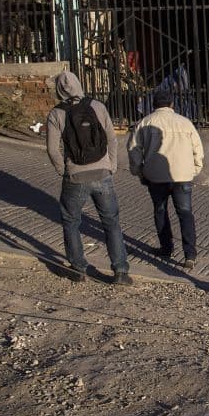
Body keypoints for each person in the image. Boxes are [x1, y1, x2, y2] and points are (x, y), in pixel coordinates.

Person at [46, 71, 132, 285]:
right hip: (102, 173)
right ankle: (120, 271)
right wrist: (111, 165)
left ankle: (78, 268)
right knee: (111, 222)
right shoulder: (97, 106)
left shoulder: (56, 114)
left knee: (71, 221)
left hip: (75, 175)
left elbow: (53, 149)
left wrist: (63, 170)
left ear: (59, 90)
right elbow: (112, 139)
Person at [127, 90, 205, 269]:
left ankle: (166, 247)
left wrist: (139, 172)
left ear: (153, 104)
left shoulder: (145, 122)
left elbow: (134, 150)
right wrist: (193, 170)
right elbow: (198, 150)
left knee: (160, 211)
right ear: (172, 104)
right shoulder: (185, 123)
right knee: (185, 213)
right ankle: (190, 254)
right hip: (182, 175)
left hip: (155, 175)